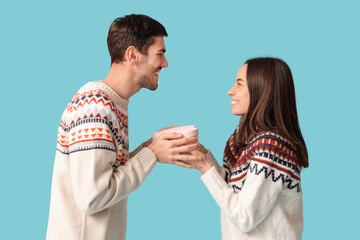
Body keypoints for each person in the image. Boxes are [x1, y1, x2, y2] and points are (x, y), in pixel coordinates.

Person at [46, 14, 200, 240]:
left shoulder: (111, 103)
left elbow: (109, 175)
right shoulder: (95, 110)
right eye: (160, 54)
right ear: (133, 55)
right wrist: (151, 155)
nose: (165, 63)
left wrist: (152, 146)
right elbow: (92, 198)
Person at [183, 57, 309, 240]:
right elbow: (233, 192)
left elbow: (244, 217)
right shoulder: (244, 141)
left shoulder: (271, 147)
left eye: (239, 84)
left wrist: (205, 167)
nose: (230, 91)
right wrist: (203, 157)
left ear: (262, 90)